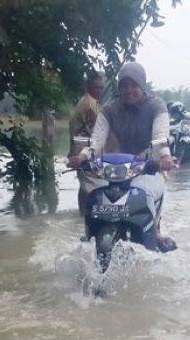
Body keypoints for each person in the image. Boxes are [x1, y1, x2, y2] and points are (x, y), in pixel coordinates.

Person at [68, 62, 177, 251]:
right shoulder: (110, 108)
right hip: (117, 168)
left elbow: (160, 137)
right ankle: (90, 234)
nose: (129, 90)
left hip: (148, 166)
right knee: (94, 195)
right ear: (119, 88)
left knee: (145, 194)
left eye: (133, 85)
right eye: (124, 85)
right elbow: (96, 140)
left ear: (142, 85)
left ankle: (154, 234)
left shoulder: (156, 105)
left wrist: (165, 158)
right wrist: (83, 156)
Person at [69, 73, 105, 213]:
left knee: (85, 185)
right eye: (97, 88)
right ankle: (84, 215)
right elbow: (100, 129)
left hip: (81, 149)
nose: (100, 91)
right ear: (88, 87)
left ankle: (82, 216)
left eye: (102, 88)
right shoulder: (89, 104)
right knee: (89, 186)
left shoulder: (90, 102)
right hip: (84, 150)